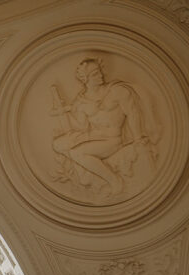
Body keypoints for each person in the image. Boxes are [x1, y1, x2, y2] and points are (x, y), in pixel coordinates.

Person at [50, 57, 154, 197]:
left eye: (99, 72)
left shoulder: (117, 91)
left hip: (112, 140)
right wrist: (65, 112)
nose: (100, 75)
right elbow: (81, 127)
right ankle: (88, 173)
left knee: (77, 153)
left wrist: (138, 137)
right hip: (93, 135)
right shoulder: (81, 101)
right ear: (85, 79)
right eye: (94, 74)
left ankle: (114, 181)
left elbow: (132, 112)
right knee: (58, 144)